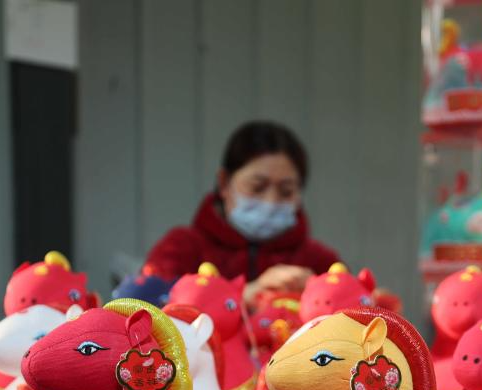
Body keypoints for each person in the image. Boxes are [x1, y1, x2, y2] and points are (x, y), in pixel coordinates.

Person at [145, 121, 339, 305]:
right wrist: (242, 295)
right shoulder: (181, 248)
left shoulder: (320, 261)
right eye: (257, 187)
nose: (271, 202)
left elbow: (351, 309)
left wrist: (321, 294)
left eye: (286, 191)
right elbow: (145, 306)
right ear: (224, 183)